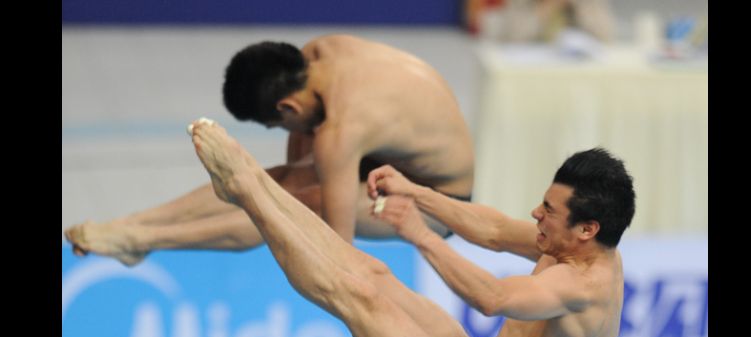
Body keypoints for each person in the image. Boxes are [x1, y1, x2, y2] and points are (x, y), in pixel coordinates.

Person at [188, 119, 635, 337]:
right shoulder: (569, 243)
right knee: (374, 274)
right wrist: (416, 192)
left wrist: (420, 234)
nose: (536, 212)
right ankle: (257, 182)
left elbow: (492, 299)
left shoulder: (584, 286)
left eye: (549, 210)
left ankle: (245, 189)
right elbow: (495, 231)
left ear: (587, 228)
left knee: (357, 299)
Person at [64, 34, 475, 266]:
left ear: (287, 108)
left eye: (276, 125)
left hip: (441, 201)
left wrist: (284, 209)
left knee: (296, 206)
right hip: (388, 156)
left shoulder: (341, 131)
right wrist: (281, 185)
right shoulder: (321, 54)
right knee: (277, 184)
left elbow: (340, 256)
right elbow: (295, 171)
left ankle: (145, 238)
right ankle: (130, 226)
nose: (287, 133)